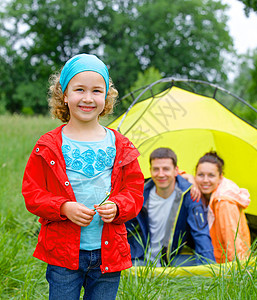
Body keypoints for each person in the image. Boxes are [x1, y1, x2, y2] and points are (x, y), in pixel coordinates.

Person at [22, 53, 144, 300]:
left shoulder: (121, 146)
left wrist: (118, 206)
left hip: (108, 254)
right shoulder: (48, 146)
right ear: (64, 95)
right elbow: (32, 194)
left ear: (107, 96)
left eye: (97, 91)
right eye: (79, 89)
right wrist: (63, 207)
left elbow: (134, 192)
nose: (88, 98)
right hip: (63, 253)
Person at [126, 147, 215, 267]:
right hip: (141, 259)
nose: (161, 174)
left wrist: (209, 268)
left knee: (192, 265)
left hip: (172, 260)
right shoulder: (141, 194)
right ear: (150, 170)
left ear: (176, 170)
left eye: (166, 169)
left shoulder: (189, 195)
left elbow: (200, 233)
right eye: (156, 169)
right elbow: (125, 227)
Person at [195, 151, 251, 263]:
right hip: (216, 257)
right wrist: (189, 179)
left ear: (220, 177)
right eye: (201, 175)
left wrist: (237, 272)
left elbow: (232, 240)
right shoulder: (211, 193)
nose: (205, 180)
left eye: (211, 175)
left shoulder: (224, 202)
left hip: (223, 265)